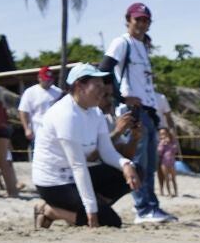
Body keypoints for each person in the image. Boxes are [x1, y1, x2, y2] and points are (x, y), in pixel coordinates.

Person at [30, 63, 140, 228]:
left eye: (103, 85)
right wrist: (91, 210)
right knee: (110, 222)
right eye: (97, 85)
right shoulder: (64, 114)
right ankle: (49, 211)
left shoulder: (95, 112)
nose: (102, 91)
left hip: (78, 175)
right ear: (79, 86)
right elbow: (78, 166)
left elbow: (107, 151)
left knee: (136, 171)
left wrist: (126, 165)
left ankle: (90, 207)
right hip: (54, 183)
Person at [98, 1, 175, 223]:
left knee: (150, 163)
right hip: (133, 110)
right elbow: (104, 68)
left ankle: (151, 206)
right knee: (139, 161)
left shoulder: (142, 46)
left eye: (145, 20)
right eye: (137, 19)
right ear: (128, 21)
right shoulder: (122, 43)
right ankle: (143, 208)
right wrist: (121, 97)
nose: (141, 23)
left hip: (148, 110)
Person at [17, 66, 63, 157]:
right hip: (38, 132)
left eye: (50, 80)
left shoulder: (58, 92)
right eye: (46, 79)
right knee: (38, 158)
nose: (48, 82)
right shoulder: (30, 92)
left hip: (56, 132)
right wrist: (27, 129)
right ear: (39, 78)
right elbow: (23, 111)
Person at [156, 127, 178, 196]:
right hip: (164, 163)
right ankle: (169, 193)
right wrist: (162, 144)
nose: (163, 135)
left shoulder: (172, 141)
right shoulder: (160, 142)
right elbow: (159, 152)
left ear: (168, 133)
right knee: (166, 179)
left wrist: (170, 144)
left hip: (171, 162)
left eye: (164, 133)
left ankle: (176, 193)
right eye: (161, 134)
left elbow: (175, 150)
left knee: (173, 178)